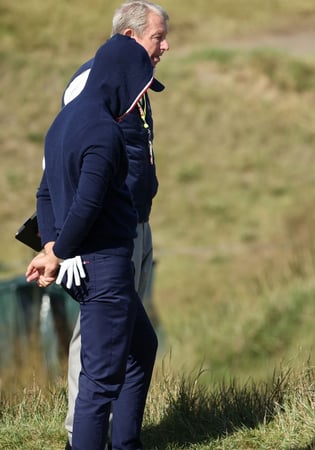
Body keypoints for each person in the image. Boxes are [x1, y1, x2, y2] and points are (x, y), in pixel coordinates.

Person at [26, 33, 159, 450]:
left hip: (87, 263)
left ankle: (126, 443)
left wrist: (51, 245)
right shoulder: (103, 129)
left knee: (142, 345)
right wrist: (58, 253)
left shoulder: (63, 121)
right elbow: (88, 201)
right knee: (100, 382)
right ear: (119, 79)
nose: (137, 97)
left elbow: (44, 193)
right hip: (105, 264)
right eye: (137, 85)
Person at [60, 2, 169, 448]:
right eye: (158, 37)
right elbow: (64, 162)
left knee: (130, 339)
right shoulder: (90, 84)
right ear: (128, 37)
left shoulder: (137, 85)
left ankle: (118, 437)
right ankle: (81, 435)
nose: (165, 46)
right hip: (103, 238)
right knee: (98, 337)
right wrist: (63, 244)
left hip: (135, 228)